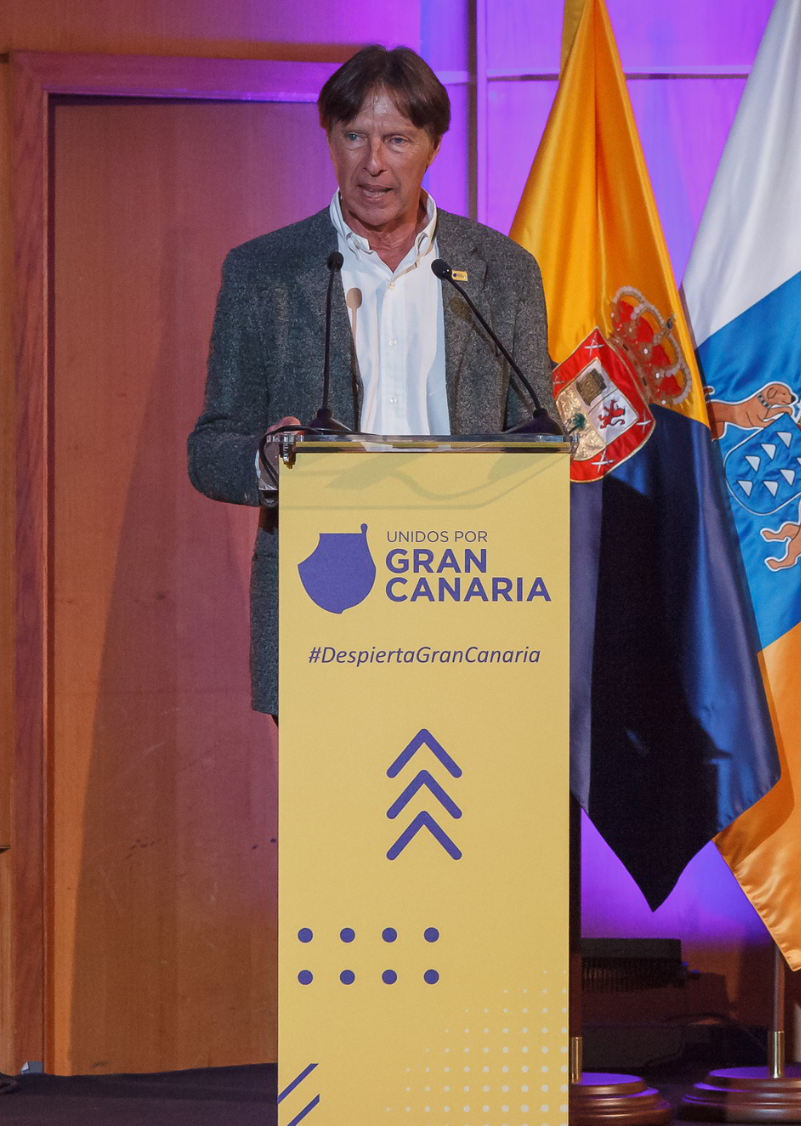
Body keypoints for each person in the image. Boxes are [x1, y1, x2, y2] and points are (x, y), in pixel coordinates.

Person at [187, 44, 553, 716]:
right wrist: (267, 462)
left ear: (433, 145)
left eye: (396, 139)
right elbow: (211, 447)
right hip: (326, 599)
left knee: (469, 816)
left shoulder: (504, 273)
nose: (373, 162)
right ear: (328, 138)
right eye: (354, 136)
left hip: (471, 600)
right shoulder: (264, 272)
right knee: (338, 819)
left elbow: (539, 438)